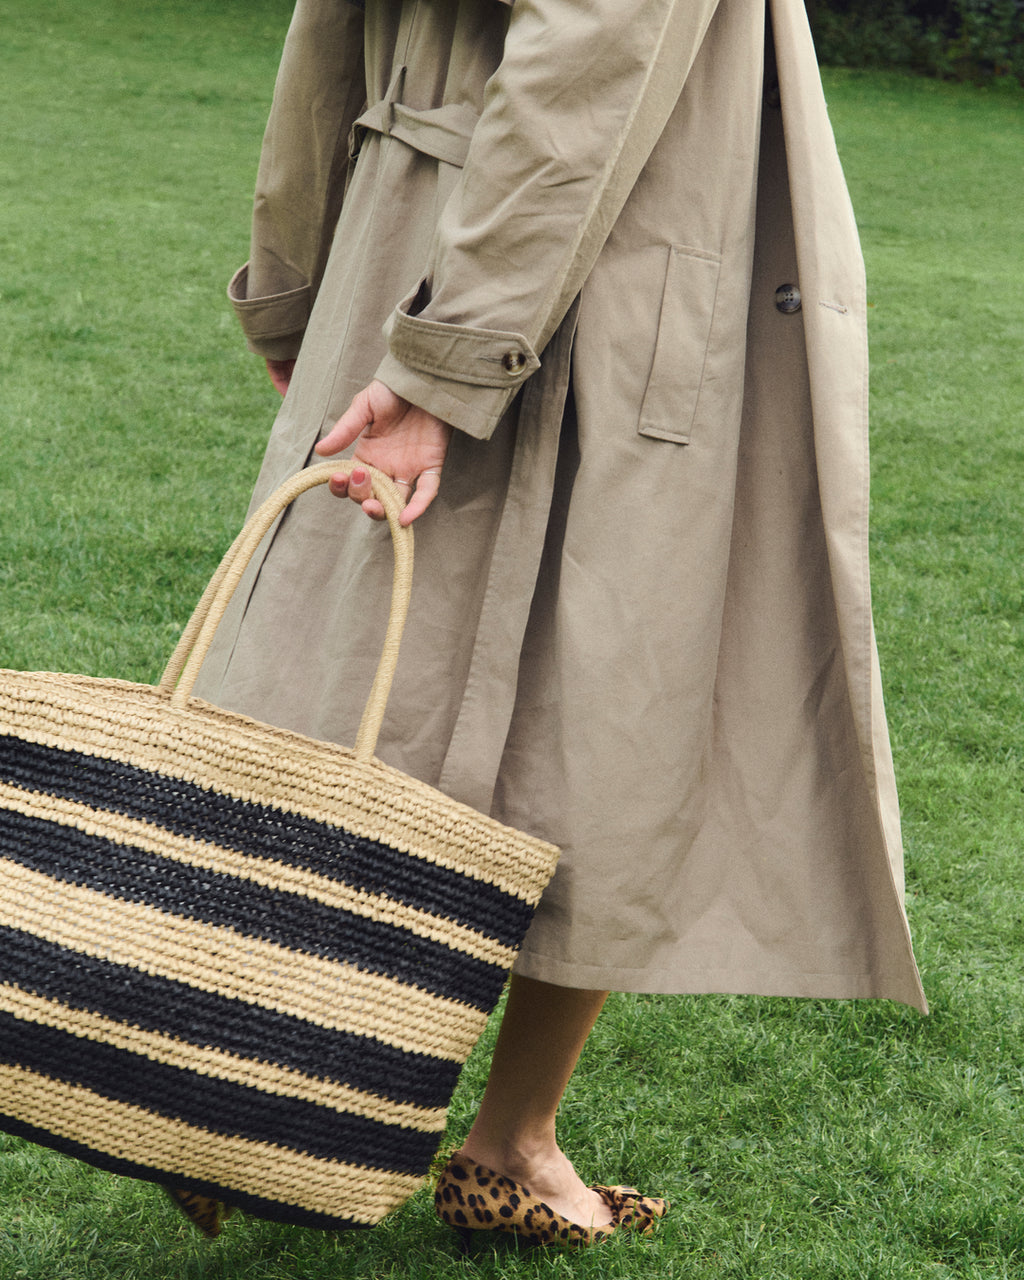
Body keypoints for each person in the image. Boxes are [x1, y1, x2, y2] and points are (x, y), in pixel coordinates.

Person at [195, 0, 927, 1246]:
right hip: (597, 250)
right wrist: (448, 358)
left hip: (423, 232)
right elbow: (596, 46)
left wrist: (300, 280)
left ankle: (268, 1085)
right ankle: (367, 1106)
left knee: (375, 651)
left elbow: (327, 35)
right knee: (604, 697)